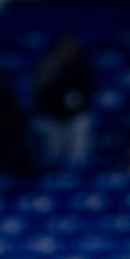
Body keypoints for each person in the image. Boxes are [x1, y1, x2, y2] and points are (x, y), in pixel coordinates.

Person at [31, 34, 95, 167]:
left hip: (75, 115)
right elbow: (42, 87)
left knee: (78, 149)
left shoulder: (81, 65)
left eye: (72, 47)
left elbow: (88, 88)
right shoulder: (50, 63)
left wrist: (77, 102)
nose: (68, 50)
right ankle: (52, 170)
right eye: (65, 47)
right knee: (53, 153)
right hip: (53, 115)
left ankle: (78, 169)